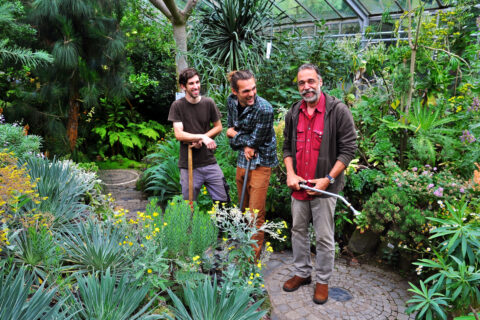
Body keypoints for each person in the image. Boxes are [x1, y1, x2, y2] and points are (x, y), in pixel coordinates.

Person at [282, 63, 357, 304]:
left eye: (311, 81)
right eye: (302, 83)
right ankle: (302, 273)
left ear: (320, 82)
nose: (306, 87)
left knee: (324, 237)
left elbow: (348, 150)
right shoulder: (294, 112)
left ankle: (322, 281)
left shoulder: (338, 111)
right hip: (299, 188)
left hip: (325, 189)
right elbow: (286, 148)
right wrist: (290, 174)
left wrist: (328, 179)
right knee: (298, 231)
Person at [226, 70, 278, 261]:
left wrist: (237, 136)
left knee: (255, 213)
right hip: (243, 159)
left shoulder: (265, 109)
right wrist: (242, 141)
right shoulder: (231, 102)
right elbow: (233, 140)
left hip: (261, 162)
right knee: (243, 208)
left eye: (254, 88)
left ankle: (251, 262)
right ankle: (242, 249)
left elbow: (252, 141)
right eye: (246, 91)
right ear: (234, 92)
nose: (252, 94)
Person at [168, 68, 228, 203]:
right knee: (189, 206)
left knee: (223, 200)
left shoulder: (208, 103)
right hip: (189, 165)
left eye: (197, 82)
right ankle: (191, 225)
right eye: (191, 83)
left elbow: (218, 127)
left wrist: (203, 138)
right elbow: (179, 134)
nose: (196, 86)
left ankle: (222, 224)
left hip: (209, 162)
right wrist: (202, 137)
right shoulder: (177, 106)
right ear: (183, 86)